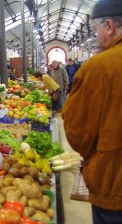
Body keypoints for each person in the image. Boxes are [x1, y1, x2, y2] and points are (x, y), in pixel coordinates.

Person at [62, 1, 122, 223]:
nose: (96, 37)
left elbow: (78, 133)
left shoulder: (100, 67)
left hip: (113, 186)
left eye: (96, 30)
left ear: (109, 26)